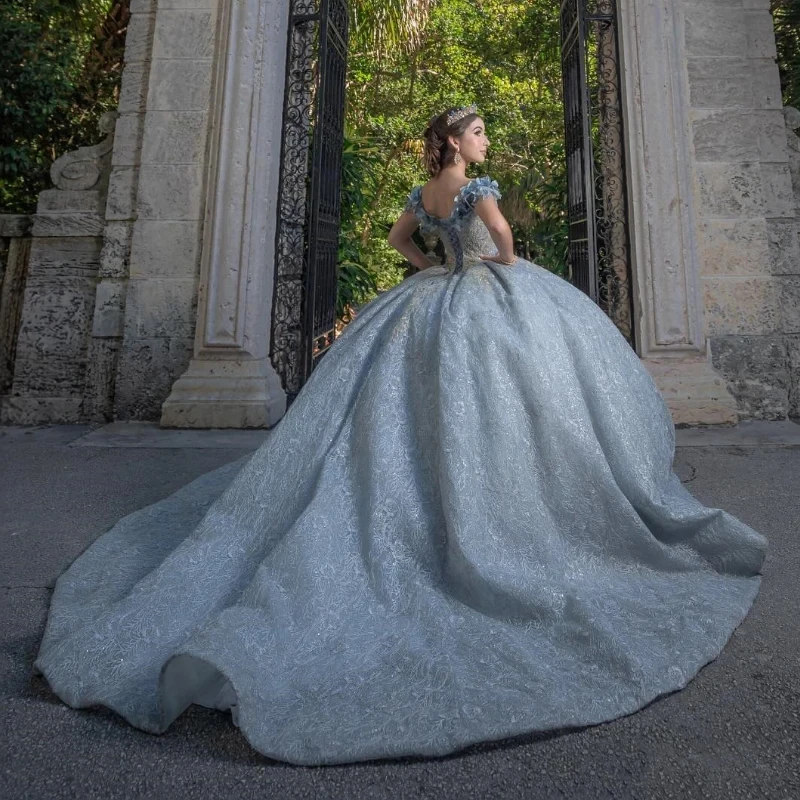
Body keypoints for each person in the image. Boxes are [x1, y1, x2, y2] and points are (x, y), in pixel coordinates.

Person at [35, 106, 767, 767]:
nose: (486, 141)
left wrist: (437, 265)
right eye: (478, 133)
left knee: (412, 408)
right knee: (515, 402)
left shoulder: (426, 198)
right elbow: (507, 248)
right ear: (456, 141)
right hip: (488, 293)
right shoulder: (481, 192)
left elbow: (399, 242)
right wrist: (492, 263)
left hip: (434, 296)